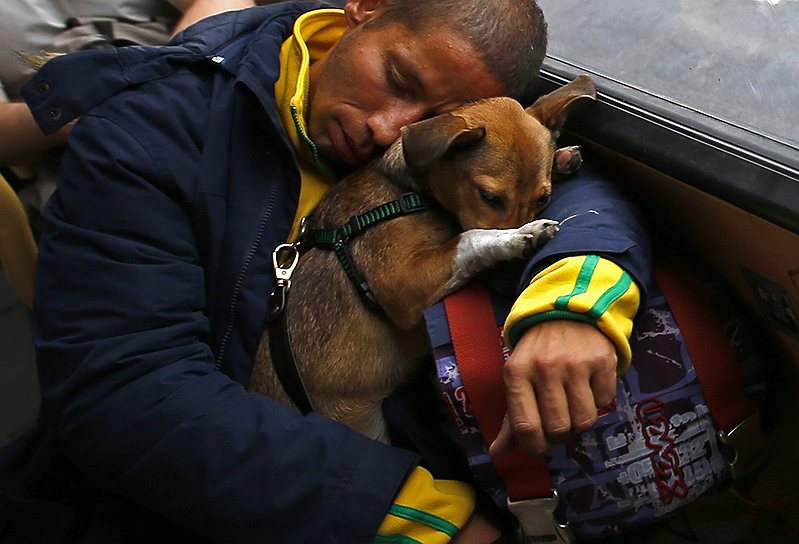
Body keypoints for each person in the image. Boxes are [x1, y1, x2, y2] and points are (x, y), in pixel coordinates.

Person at [0, 1, 651, 542]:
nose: (388, 129)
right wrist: (417, 516)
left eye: (431, 120)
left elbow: (561, 182)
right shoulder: (146, 137)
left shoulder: (454, 130)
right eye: (397, 78)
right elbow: (126, 400)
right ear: (365, 8)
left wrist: (574, 300)